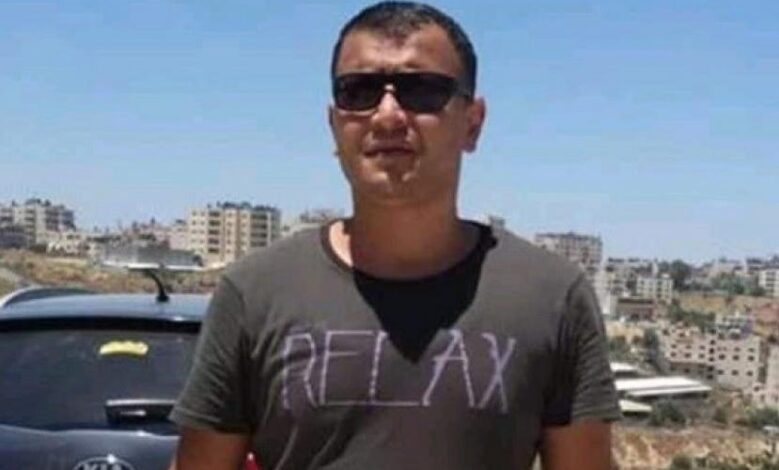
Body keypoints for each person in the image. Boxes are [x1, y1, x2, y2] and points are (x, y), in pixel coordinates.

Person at [169, 2, 620, 469]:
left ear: (473, 122)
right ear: (334, 124)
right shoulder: (255, 293)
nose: (386, 116)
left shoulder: (552, 298)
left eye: (421, 91)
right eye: (359, 91)